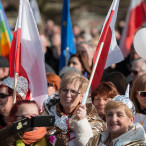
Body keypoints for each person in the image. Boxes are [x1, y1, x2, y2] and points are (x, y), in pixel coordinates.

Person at [43, 71, 102, 146]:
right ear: (59, 92)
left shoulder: (92, 117)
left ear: (82, 97)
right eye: (65, 90)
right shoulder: (47, 112)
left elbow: (88, 143)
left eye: (73, 91)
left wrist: (82, 121)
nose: (68, 95)